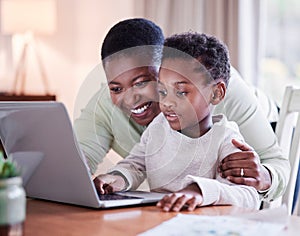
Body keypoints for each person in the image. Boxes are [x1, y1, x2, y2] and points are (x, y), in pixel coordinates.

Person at [73, 18, 289, 203]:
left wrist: (262, 175)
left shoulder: (212, 87)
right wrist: (113, 179)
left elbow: (252, 186)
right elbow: (124, 163)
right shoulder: (113, 108)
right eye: (117, 87)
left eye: (142, 82)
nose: (129, 98)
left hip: (272, 132)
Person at [94, 32, 260, 211]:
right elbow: (135, 165)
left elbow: (249, 196)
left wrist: (200, 191)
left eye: (181, 92)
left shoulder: (227, 139)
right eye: (163, 91)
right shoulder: (158, 127)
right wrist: (115, 178)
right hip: (163, 221)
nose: (166, 102)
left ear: (216, 93)